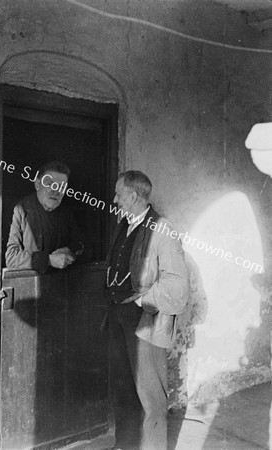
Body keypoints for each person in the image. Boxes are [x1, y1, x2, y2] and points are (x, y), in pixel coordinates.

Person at [106, 171, 189, 450]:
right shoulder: (124, 224)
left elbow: (177, 287)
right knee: (123, 389)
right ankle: (125, 445)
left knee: (151, 398)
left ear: (132, 196)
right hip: (118, 318)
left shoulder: (163, 230)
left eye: (119, 194)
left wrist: (142, 301)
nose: (115, 199)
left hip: (146, 322)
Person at [5, 161, 86, 273]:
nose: (56, 191)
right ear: (37, 184)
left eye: (61, 186)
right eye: (50, 184)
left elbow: (83, 246)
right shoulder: (21, 209)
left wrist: (70, 251)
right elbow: (11, 258)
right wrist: (48, 260)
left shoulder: (66, 213)